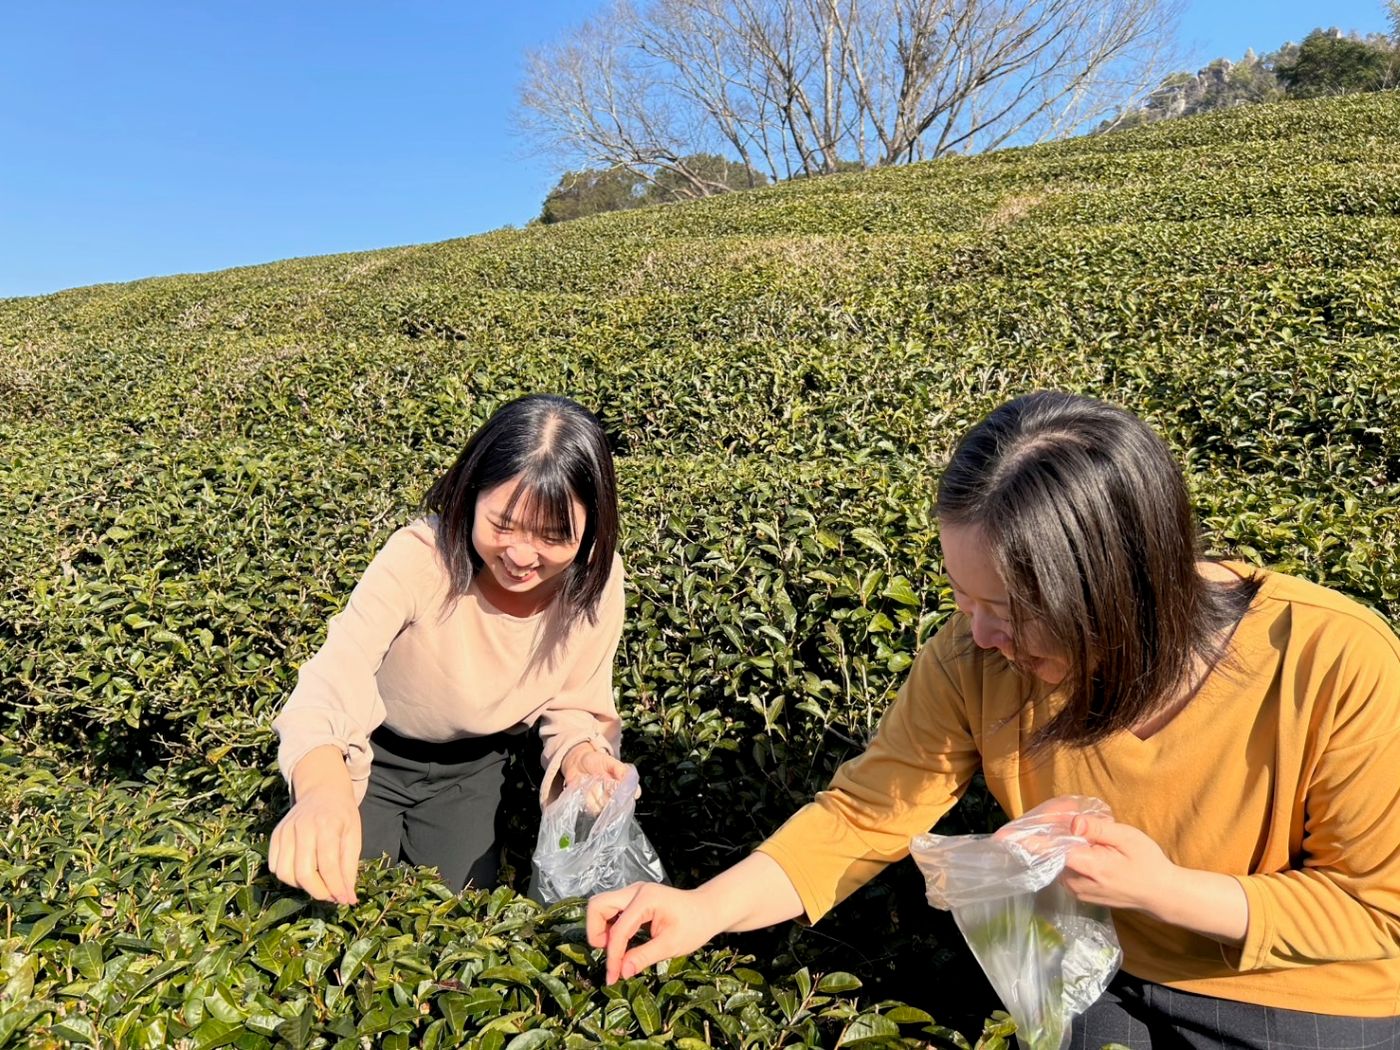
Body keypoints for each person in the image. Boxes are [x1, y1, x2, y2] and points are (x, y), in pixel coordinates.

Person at [588, 392, 1400, 1047]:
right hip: (1093, 973)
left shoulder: (1332, 658)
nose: (979, 634)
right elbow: (863, 816)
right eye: (963, 598)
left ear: (1126, 588)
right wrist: (704, 908)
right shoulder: (975, 659)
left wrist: (1165, 891)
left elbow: (1377, 910)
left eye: (1010, 608)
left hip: (1305, 995)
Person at [269, 393, 630, 904]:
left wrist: (583, 758)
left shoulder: (596, 579)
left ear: (591, 526)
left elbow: (576, 701)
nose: (522, 556)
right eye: (502, 525)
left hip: (475, 768)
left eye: (553, 537)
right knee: (336, 894)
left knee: (455, 910)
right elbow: (335, 677)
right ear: (471, 494)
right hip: (373, 752)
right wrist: (322, 791)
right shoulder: (421, 558)